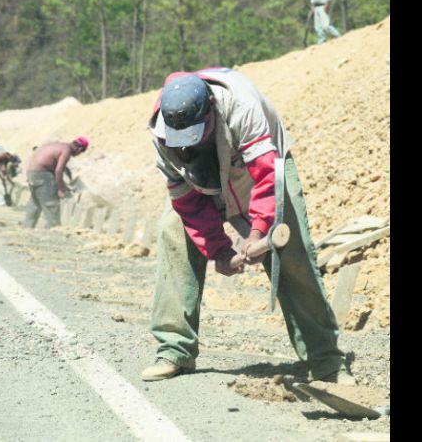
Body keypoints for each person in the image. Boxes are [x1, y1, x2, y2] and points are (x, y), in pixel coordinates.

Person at [140, 68, 354, 386]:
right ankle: (175, 349)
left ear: (211, 108)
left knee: (291, 249)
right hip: (205, 183)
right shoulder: (162, 134)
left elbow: (266, 178)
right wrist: (219, 251)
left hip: (261, 166)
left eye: (194, 135)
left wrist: (258, 233)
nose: (186, 146)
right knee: (173, 230)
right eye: (180, 141)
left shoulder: (241, 108)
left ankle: (325, 360)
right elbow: (187, 203)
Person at [22, 137, 88, 228]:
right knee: (51, 204)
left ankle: (26, 228)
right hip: (42, 173)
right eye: (81, 152)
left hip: (31, 173)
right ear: (80, 149)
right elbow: (58, 171)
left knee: (35, 203)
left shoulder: (59, 145)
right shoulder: (67, 150)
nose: (79, 154)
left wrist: (64, 184)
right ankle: (54, 230)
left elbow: (56, 168)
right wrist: (61, 189)